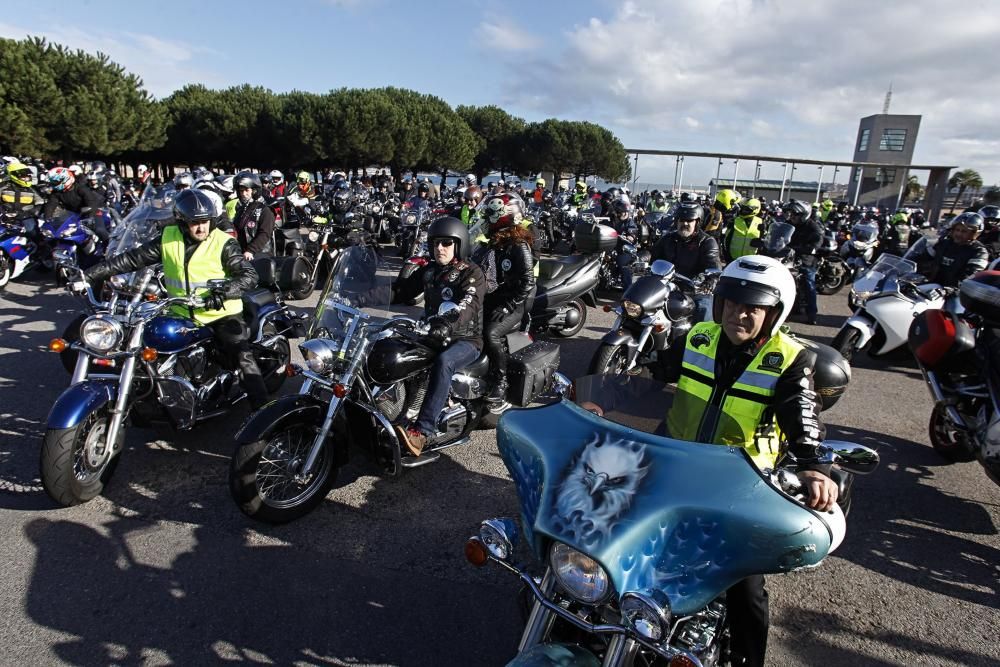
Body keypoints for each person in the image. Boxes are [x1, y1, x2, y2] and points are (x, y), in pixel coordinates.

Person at [665, 254, 838, 667]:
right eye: (730, 303)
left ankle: (746, 658)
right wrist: (600, 399)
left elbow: (803, 414)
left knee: (745, 585)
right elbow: (645, 375)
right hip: (676, 464)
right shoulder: (697, 337)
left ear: (774, 313)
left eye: (752, 308)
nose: (738, 315)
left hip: (743, 483)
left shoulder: (791, 358)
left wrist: (814, 465)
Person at [83, 189, 270, 409]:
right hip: (180, 312)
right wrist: (89, 275)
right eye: (194, 223)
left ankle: (264, 414)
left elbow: (249, 275)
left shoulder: (223, 242)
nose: (201, 228)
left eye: (205, 222)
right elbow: (131, 259)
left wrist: (223, 291)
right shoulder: (168, 237)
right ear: (182, 222)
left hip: (220, 313)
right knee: (144, 342)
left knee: (242, 356)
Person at [391, 217, 486, 456]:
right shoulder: (430, 271)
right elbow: (401, 290)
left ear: (459, 245)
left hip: (465, 339)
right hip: (432, 333)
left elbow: (469, 303)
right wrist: (361, 295)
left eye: (446, 243)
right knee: (393, 348)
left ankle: (423, 431)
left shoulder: (471, 273)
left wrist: (448, 322)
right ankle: (395, 410)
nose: (440, 248)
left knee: (444, 362)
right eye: (435, 244)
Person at [477, 197, 535, 410]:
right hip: (496, 296)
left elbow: (528, 282)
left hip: (514, 303)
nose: (486, 220)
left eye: (490, 216)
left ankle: (500, 382)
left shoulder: (518, 245)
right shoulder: (494, 242)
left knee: (491, 333)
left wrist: (508, 306)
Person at [650, 201, 722, 320]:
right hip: (667, 287)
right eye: (681, 220)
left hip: (694, 290)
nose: (684, 223)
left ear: (698, 222)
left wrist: (711, 280)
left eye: (689, 221)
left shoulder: (706, 242)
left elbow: (714, 264)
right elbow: (654, 257)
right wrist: (642, 258)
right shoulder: (668, 239)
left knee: (703, 310)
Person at [908, 212, 989, 287]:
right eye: (957, 230)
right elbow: (921, 259)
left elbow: (970, 277)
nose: (959, 234)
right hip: (931, 287)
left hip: (955, 294)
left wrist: (951, 289)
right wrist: (906, 268)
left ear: (974, 233)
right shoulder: (943, 243)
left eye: (964, 231)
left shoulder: (979, 251)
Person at [43, 167, 110, 242]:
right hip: (74, 216)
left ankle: (108, 246)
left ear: (66, 179)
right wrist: (47, 218)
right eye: (53, 183)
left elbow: (91, 201)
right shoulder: (56, 193)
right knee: (58, 234)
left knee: (99, 230)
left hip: (93, 212)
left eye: (56, 182)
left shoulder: (80, 188)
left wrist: (90, 216)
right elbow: (51, 204)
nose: (54, 185)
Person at [785, 199, 824, 324]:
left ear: (803, 215)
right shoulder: (789, 224)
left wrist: (810, 248)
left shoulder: (814, 227)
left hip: (805, 259)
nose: (792, 216)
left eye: (795, 214)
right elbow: (780, 234)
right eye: (791, 214)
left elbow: (817, 241)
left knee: (809, 284)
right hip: (787, 256)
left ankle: (812, 314)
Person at [232, 172, 275, 260]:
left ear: (254, 191)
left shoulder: (264, 210)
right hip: (243, 253)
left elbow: (265, 233)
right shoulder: (240, 210)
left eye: (247, 190)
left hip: (261, 253)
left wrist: (250, 250)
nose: (243, 194)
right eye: (241, 191)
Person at [1, 161, 45, 238]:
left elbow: (40, 202)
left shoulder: (32, 189)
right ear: (13, 175)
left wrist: (33, 211)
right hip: (6, 218)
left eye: (28, 175)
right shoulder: (3, 186)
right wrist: (3, 209)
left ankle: (39, 245)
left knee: (33, 233)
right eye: (23, 176)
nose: (26, 178)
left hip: (26, 217)